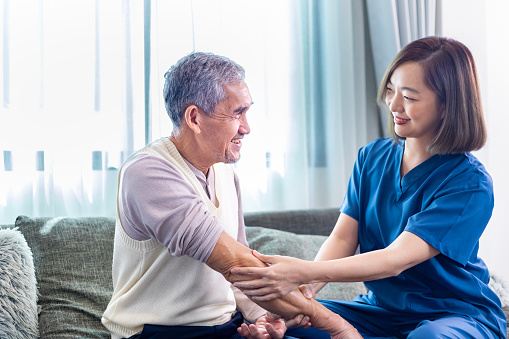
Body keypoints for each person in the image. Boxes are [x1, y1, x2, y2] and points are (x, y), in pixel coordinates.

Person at [231, 36, 508, 338]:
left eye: (410, 97)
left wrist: (301, 270)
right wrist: (302, 295)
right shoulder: (371, 158)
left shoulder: (470, 184)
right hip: (380, 312)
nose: (394, 105)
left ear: (447, 106)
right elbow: (341, 238)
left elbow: (395, 260)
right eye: (391, 90)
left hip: (455, 315)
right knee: (297, 325)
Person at [101, 51, 362, 339]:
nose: (247, 128)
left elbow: (239, 278)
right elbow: (236, 264)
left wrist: (265, 317)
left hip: (226, 325)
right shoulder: (148, 173)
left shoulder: (224, 171)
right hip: (158, 332)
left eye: (247, 111)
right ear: (195, 118)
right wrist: (336, 325)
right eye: (237, 113)